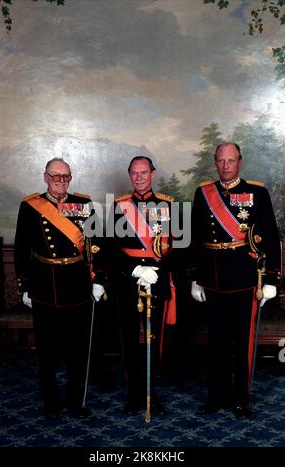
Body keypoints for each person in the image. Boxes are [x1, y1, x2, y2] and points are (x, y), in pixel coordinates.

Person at [190, 142, 281, 417]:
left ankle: (242, 398)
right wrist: (196, 278)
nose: (226, 166)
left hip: (245, 279)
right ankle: (216, 396)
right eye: (221, 161)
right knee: (216, 342)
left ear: (239, 161)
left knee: (242, 341)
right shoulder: (204, 193)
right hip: (214, 279)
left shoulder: (257, 192)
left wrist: (272, 280)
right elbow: (196, 239)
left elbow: (271, 235)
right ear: (215, 163)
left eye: (231, 160)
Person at [14, 158, 106, 420]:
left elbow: (96, 243)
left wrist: (98, 279)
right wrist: (25, 286)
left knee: (79, 350)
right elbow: (21, 248)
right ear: (45, 177)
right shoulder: (30, 206)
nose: (61, 181)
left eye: (65, 177)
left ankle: (77, 402)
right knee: (46, 351)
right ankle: (51, 403)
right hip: (44, 286)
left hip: (77, 284)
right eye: (56, 176)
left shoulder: (84, 204)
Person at [108, 155, 184, 416]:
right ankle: (133, 394)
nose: (139, 177)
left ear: (153, 173)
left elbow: (180, 248)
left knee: (155, 341)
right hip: (128, 281)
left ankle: (152, 393)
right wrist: (135, 269)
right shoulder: (118, 207)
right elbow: (109, 249)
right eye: (134, 173)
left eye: (144, 172)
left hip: (158, 280)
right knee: (128, 339)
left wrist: (157, 269)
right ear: (129, 175)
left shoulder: (169, 206)